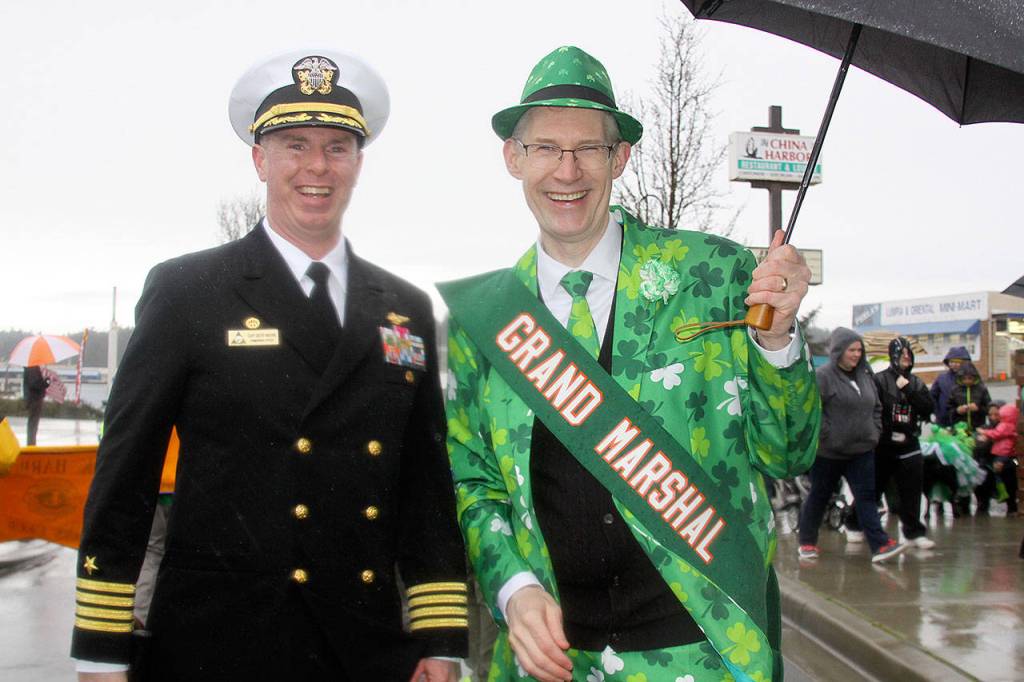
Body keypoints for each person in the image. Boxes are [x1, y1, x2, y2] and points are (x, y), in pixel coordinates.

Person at [71, 49, 467, 681]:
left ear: (359, 164)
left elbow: (424, 487)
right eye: (295, 144)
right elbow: (126, 476)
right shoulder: (188, 291)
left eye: (338, 147)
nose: (317, 166)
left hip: (365, 644)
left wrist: (439, 638)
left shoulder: (403, 307)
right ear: (260, 159)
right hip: (219, 643)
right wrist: (101, 647)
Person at [441, 46, 820, 682]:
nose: (568, 171)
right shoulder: (482, 322)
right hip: (553, 661)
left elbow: (789, 455)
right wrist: (513, 590)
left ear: (619, 158)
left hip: (706, 655)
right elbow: (473, 485)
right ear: (514, 158)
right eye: (545, 149)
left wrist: (777, 339)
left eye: (589, 148)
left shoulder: (715, 275)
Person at [797, 328, 906, 564]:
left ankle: (879, 544)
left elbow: (876, 406)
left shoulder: (864, 376)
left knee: (866, 498)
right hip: (829, 452)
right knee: (819, 496)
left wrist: (874, 432)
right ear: (839, 351)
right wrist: (827, 436)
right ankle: (807, 542)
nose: (856, 355)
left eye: (859, 350)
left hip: (862, 451)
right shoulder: (823, 376)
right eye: (851, 350)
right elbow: (812, 411)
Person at [869, 337, 935, 548]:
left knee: (912, 490)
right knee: (873, 488)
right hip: (883, 445)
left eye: (909, 354)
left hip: (910, 443)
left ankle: (914, 531)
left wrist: (909, 391)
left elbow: (928, 408)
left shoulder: (916, 383)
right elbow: (872, 409)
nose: (906, 358)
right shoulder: (878, 380)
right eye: (901, 354)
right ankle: (855, 522)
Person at [976, 402, 1020, 517]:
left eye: (996, 415)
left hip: (1012, 459)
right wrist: (985, 441)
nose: (993, 418)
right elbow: (978, 449)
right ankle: (983, 502)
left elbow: (1014, 448)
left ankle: (1012, 505)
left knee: (1011, 468)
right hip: (990, 461)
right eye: (990, 415)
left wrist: (1005, 460)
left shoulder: (1011, 427)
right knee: (981, 470)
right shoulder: (985, 428)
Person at [930, 346, 971, 426]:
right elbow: (932, 396)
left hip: (964, 422)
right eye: (951, 361)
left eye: (957, 362)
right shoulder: (942, 378)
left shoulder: (971, 378)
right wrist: (937, 413)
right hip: (944, 421)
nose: (954, 364)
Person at [22, 365, 48, 446]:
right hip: (34, 399)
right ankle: (31, 443)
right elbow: (34, 384)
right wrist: (45, 383)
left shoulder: (31, 368)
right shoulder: (32, 369)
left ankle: (31, 442)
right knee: (33, 423)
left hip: (32, 398)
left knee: (33, 423)